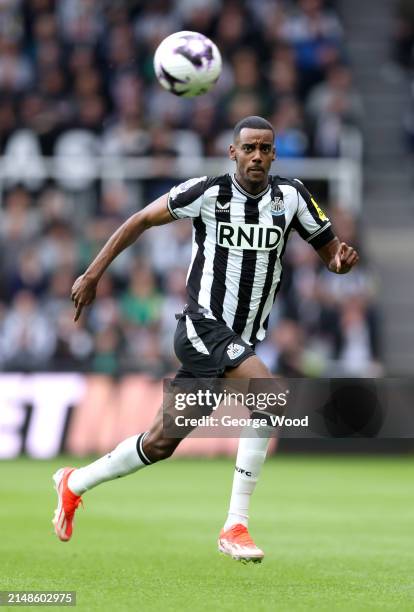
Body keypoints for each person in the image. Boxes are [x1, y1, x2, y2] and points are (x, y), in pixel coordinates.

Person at [52, 115, 359, 562]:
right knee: (269, 396)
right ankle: (236, 525)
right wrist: (93, 273)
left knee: (159, 442)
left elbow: (331, 251)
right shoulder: (207, 192)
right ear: (232, 152)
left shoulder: (290, 197)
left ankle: (73, 483)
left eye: (265, 149)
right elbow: (138, 220)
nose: (257, 156)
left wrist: (340, 264)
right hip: (201, 326)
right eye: (248, 148)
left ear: (274, 155)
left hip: (240, 339)